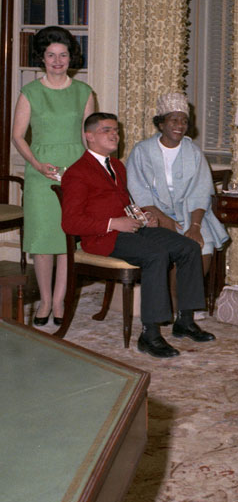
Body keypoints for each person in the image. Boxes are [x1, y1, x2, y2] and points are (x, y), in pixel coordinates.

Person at [61, 113, 216, 359]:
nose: (114, 135)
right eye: (106, 130)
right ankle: (150, 334)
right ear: (89, 137)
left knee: (189, 247)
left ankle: (185, 320)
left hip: (132, 229)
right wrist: (114, 223)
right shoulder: (77, 173)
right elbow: (70, 223)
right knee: (156, 255)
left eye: (116, 130)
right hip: (104, 238)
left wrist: (145, 216)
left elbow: (126, 203)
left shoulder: (116, 166)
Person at [12, 26, 95, 328]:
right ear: (42, 58)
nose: (58, 61)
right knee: (43, 240)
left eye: (63, 55)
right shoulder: (30, 92)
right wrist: (35, 163)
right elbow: (18, 136)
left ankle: (60, 299)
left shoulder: (84, 93)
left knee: (66, 241)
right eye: (51, 55)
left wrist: (88, 173)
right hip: (40, 173)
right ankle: (44, 300)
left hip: (75, 173)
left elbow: (90, 139)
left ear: (70, 57)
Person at [125, 92, 229, 280]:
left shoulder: (194, 153)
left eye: (184, 121)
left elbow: (201, 191)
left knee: (202, 243)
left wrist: (195, 226)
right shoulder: (142, 151)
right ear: (161, 124)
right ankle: (173, 303)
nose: (180, 126)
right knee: (172, 246)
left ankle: (187, 304)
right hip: (153, 214)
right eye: (174, 120)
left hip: (190, 213)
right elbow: (139, 192)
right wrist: (165, 220)